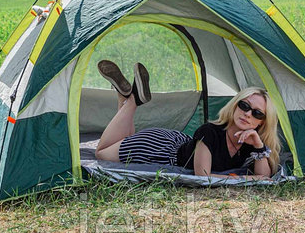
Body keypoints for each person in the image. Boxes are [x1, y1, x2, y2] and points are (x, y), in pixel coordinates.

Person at [95, 60, 281, 179]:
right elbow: (203, 177)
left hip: (178, 143)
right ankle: (134, 101)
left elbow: (263, 177)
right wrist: (243, 178)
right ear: (235, 106)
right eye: (245, 106)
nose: (248, 114)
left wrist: (258, 146)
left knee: (123, 140)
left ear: (262, 122)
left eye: (257, 113)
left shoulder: (250, 142)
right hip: (159, 148)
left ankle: (124, 97)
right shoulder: (210, 132)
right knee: (102, 153)